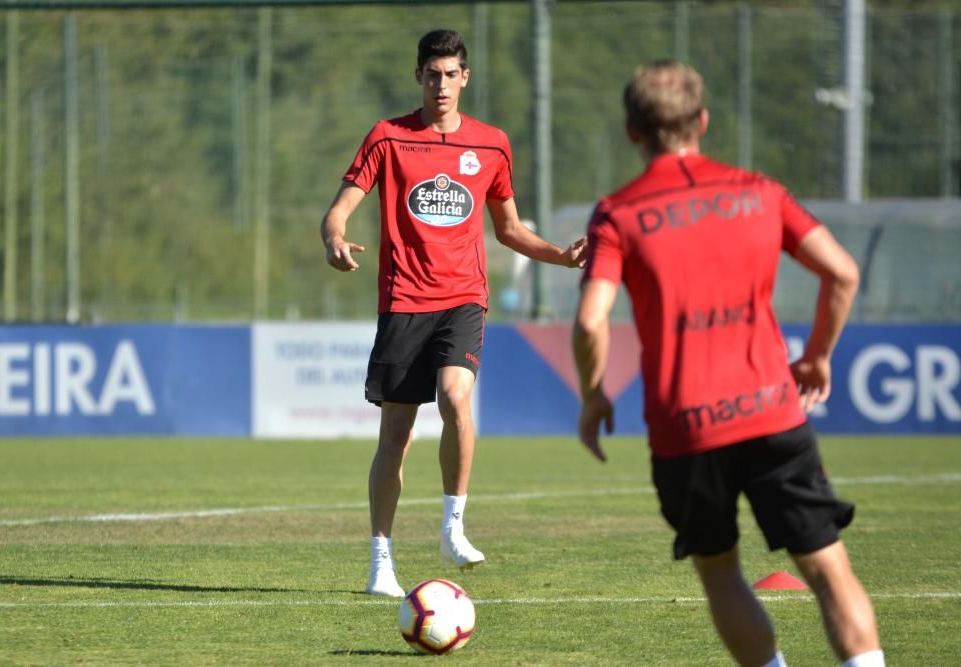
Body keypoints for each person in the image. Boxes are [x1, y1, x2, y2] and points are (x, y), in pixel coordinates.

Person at [572, 60, 884, 667]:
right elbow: (842, 271)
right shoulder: (760, 192)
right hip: (772, 410)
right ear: (704, 121)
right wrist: (816, 356)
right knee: (826, 566)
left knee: (720, 571)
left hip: (684, 430)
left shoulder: (618, 213)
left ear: (633, 131)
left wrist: (593, 394)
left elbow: (590, 321)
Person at [321, 28, 586, 598]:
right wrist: (335, 238)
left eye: (451, 74)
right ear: (418, 76)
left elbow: (510, 229)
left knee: (456, 397)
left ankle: (452, 527)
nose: (441, 85)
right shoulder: (388, 137)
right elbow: (339, 210)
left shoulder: (491, 145)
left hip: (463, 298)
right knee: (396, 433)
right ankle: (381, 562)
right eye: (432, 74)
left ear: (465, 77)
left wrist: (560, 257)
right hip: (402, 301)